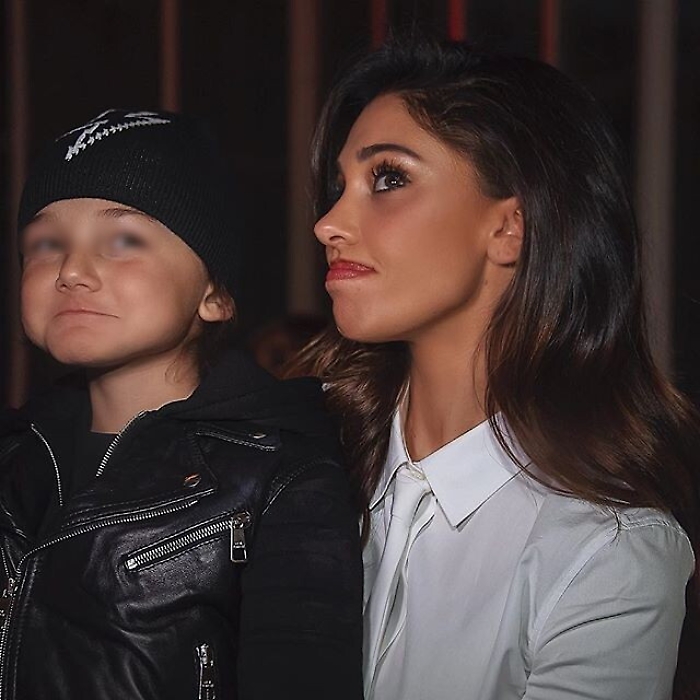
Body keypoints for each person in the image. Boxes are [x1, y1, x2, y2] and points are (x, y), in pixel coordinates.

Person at [292, 39, 700, 699]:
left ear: (509, 227)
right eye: (340, 187)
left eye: (388, 178)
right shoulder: (297, 473)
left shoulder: (606, 553)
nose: (328, 224)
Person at [0, 109, 363, 699]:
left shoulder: (280, 479)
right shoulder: (14, 462)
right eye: (46, 243)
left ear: (214, 295)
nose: (71, 270)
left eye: (122, 240)